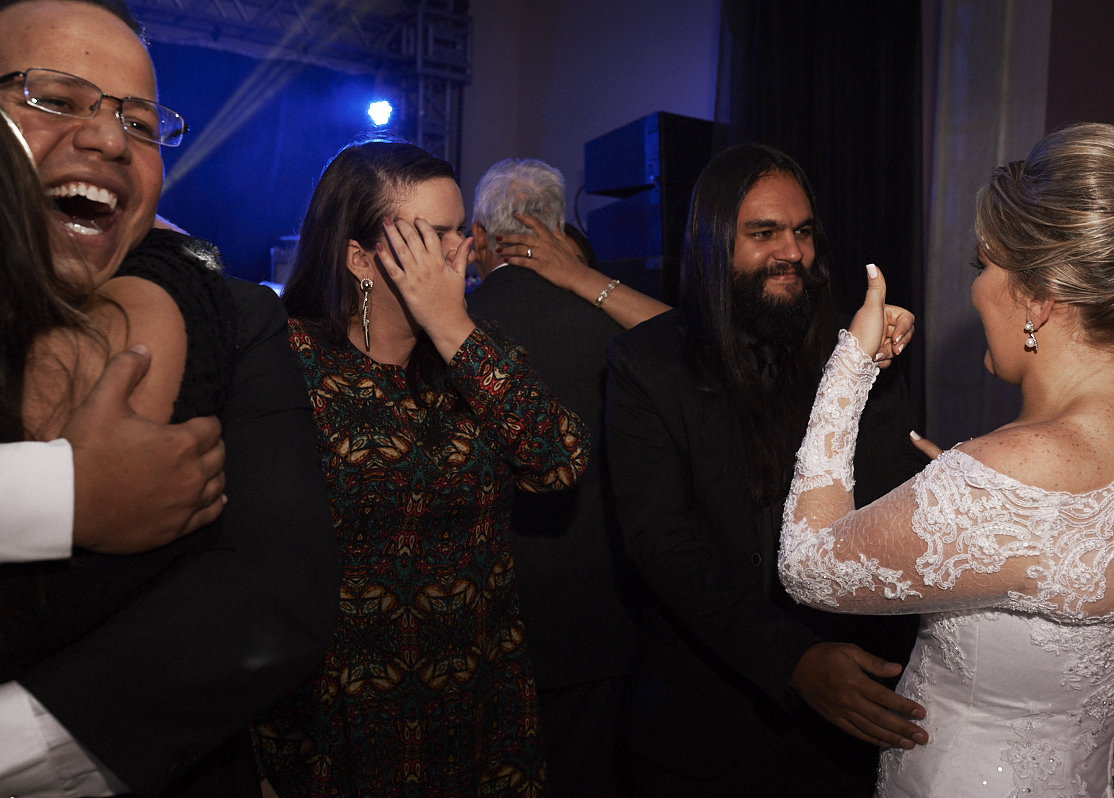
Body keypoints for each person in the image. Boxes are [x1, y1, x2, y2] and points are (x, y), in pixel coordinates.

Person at [0, 2, 339, 795]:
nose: (110, 138)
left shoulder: (237, 319)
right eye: (54, 99)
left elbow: (273, 602)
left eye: (140, 125)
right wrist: (59, 497)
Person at [779, 122, 1114, 796]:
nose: (976, 286)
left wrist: (851, 366)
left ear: (1039, 295)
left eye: (984, 263)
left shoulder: (1006, 479)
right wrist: (965, 495)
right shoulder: (1007, 480)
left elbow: (807, 566)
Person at [251, 138, 589, 797]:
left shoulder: (477, 355)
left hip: (479, 692)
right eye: (432, 236)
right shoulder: (291, 361)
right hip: (343, 702)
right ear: (358, 257)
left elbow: (559, 462)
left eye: (459, 229)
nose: (461, 252)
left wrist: (452, 328)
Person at [604, 143, 929, 796]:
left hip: (844, 731)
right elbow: (662, 545)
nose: (792, 251)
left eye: (803, 231)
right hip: (701, 726)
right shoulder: (647, 363)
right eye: (764, 233)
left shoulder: (860, 351)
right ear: (714, 242)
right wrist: (794, 660)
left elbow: (895, 511)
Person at [465, 157, 661, 797]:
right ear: (557, 228)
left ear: (477, 236)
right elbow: (695, 348)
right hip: (596, 609)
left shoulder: (449, 327)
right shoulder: (618, 327)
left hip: (478, 614)